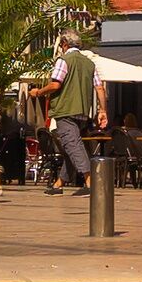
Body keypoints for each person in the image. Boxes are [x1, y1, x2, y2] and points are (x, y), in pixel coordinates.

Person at [44, 41, 100, 193]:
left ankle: (90, 182)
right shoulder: (89, 63)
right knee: (70, 144)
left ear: (64, 44)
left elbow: (55, 85)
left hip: (65, 110)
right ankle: (59, 184)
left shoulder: (63, 61)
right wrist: (103, 111)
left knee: (73, 145)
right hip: (82, 112)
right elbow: (99, 87)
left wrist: (38, 92)